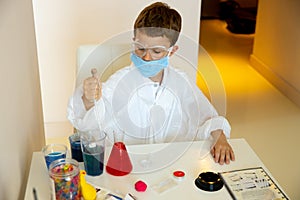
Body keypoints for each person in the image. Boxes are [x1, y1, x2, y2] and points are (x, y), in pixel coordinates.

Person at [68, 2, 235, 165]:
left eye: (156, 51)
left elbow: (206, 116)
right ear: (133, 41)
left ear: (172, 51)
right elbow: (92, 125)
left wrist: (219, 137)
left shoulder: (181, 82)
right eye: (140, 48)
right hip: (131, 165)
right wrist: (89, 100)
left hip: (171, 164)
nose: (146, 58)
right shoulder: (119, 82)